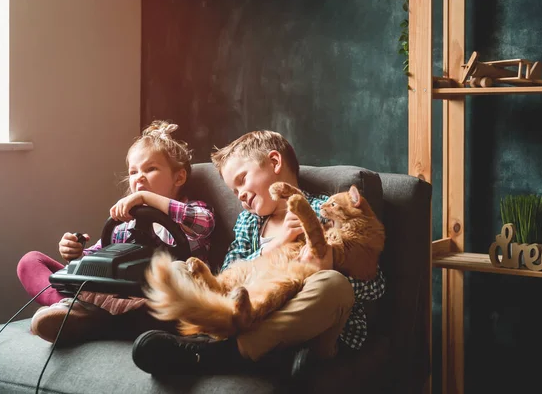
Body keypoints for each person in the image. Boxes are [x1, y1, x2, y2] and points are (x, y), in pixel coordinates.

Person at [131, 130, 387, 378]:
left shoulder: (326, 209)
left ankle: (223, 351)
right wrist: (275, 244)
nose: (240, 194)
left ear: (275, 162)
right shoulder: (248, 223)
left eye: (242, 180)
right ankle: (259, 355)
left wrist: (330, 263)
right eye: (234, 191)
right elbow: (229, 274)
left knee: (334, 285)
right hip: (246, 311)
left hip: (309, 328)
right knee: (180, 270)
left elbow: (375, 287)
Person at [16, 120, 215, 343]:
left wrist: (145, 198)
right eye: (133, 172)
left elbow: (203, 223)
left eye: (150, 169)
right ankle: (76, 312)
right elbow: (97, 261)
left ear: (178, 177)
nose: (139, 177)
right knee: (29, 261)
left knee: (174, 307)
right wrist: (75, 252)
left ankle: (92, 317)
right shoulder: (124, 224)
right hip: (112, 292)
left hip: (156, 299)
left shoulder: (195, 211)